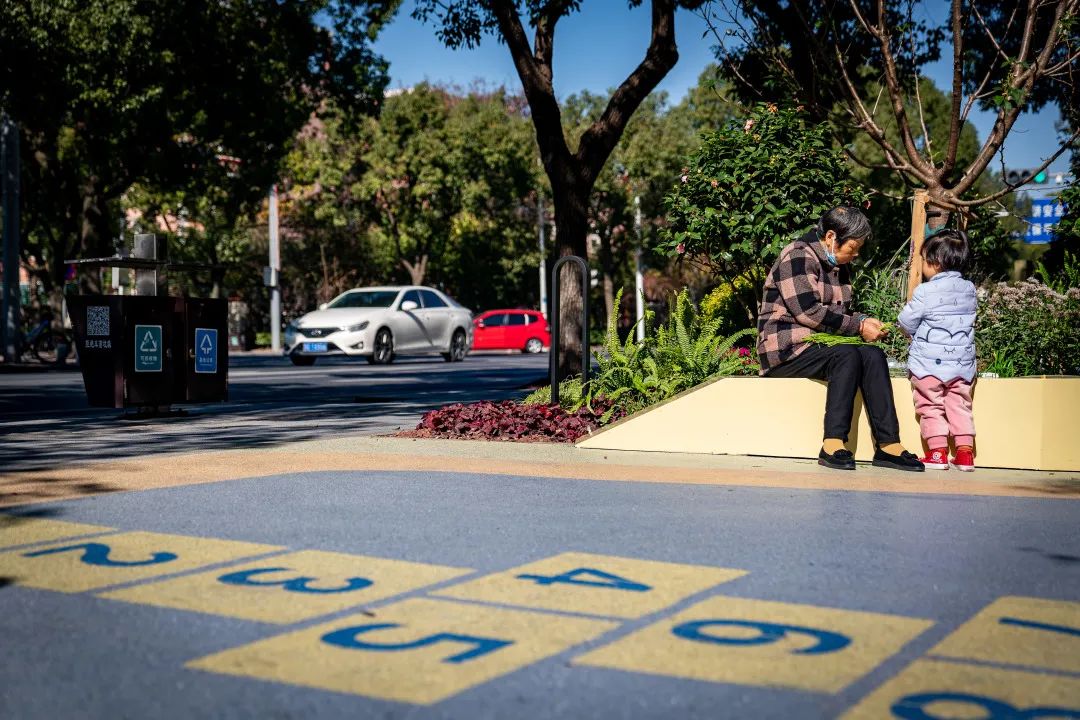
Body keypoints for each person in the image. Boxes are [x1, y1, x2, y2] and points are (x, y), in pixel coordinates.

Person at [758, 206, 924, 472]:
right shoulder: (797, 255)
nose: (856, 254)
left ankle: (888, 445)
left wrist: (866, 321)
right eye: (853, 247)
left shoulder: (839, 265)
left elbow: (838, 314)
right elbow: (808, 311)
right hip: (786, 348)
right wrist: (858, 327)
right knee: (846, 354)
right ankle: (832, 443)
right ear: (831, 237)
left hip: (819, 345)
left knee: (873, 355)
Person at [897, 229, 977, 471]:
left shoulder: (925, 291)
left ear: (935, 262)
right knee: (959, 405)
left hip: (928, 365)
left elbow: (906, 321)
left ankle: (938, 454)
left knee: (930, 405)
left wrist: (910, 332)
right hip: (962, 365)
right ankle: (965, 455)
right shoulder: (970, 289)